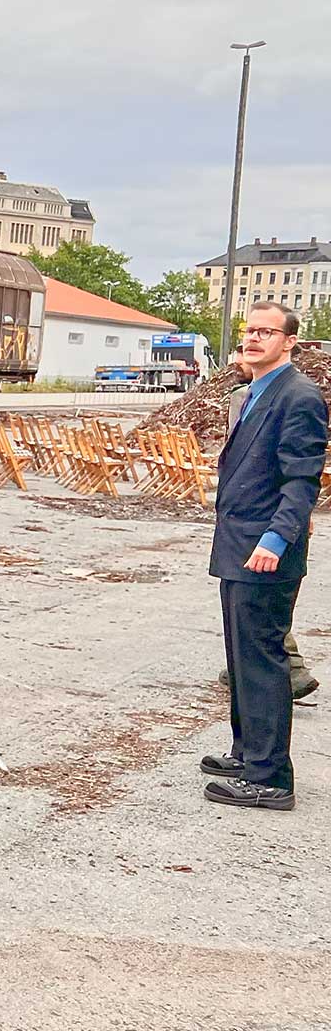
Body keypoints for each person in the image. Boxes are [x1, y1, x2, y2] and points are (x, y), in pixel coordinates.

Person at [201, 302, 328, 811]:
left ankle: (271, 778)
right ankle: (248, 752)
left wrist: (275, 540)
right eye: (248, 331)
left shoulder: (298, 396)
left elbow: (302, 480)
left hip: (264, 551)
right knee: (241, 657)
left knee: (262, 660)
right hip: (238, 544)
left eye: (266, 332)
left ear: (290, 341)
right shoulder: (254, 392)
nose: (253, 339)